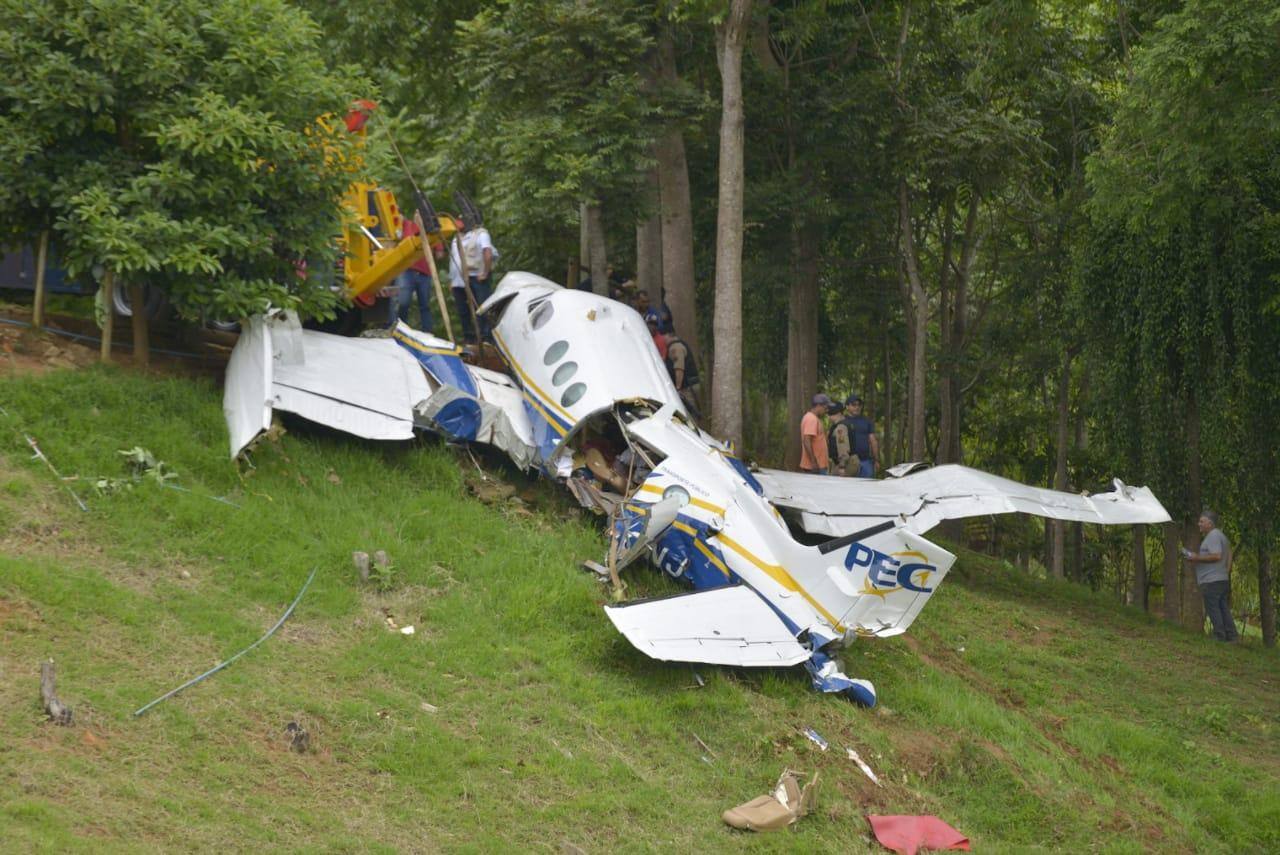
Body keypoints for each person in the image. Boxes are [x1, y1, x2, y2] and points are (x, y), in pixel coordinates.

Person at [1182, 511, 1238, 642]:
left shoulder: (1213, 536)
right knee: (1223, 607)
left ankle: (1219, 636)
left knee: (1213, 608)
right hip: (1221, 579)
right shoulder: (1222, 536)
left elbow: (1217, 555)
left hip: (1212, 581)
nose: (1199, 524)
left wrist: (1196, 557)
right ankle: (1232, 636)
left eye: (1201, 521)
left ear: (1210, 523)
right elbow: (1229, 555)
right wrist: (1225, 573)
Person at [449, 213, 499, 342]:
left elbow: (487, 253)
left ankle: (486, 338)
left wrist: (485, 273)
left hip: (478, 277)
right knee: (467, 311)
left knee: (482, 308)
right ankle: (472, 339)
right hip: (466, 279)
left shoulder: (481, 234)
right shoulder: (458, 238)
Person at [392, 218, 441, 332]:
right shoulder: (406, 225)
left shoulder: (432, 231)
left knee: (425, 305)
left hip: (425, 273)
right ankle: (401, 329)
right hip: (406, 271)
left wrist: (435, 247)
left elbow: (439, 254)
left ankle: (427, 332)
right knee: (403, 302)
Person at [828, 394, 880, 477]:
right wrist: (841, 465)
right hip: (848, 463)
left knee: (866, 487)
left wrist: (876, 460)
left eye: (859, 405)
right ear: (847, 406)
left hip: (865, 461)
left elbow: (873, 440)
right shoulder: (842, 421)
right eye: (854, 404)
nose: (857, 407)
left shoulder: (866, 421)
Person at [663, 330, 701, 418]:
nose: (663, 339)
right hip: (688, 386)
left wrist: (678, 387)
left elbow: (679, 368)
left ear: (668, 335)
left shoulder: (675, 347)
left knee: (690, 417)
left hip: (687, 388)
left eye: (663, 335)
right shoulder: (677, 345)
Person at [800, 394, 833, 475]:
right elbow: (807, 441)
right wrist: (813, 462)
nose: (827, 410)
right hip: (815, 466)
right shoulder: (811, 419)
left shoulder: (813, 418)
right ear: (818, 405)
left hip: (819, 464)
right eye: (825, 407)